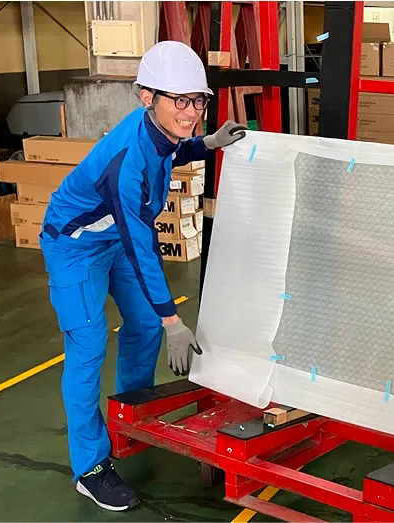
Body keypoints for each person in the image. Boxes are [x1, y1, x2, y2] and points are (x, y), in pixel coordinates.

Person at [39, 41, 246, 511]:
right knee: (88, 345)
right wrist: (174, 320)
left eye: (198, 101)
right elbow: (141, 245)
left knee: (144, 325)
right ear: (146, 96)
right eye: (180, 100)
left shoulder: (159, 130)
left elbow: (169, 152)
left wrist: (208, 144)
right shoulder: (125, 161)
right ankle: (91, 467)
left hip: (115, 235)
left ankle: (129, 419)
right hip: (75, 246)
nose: (191, 112)